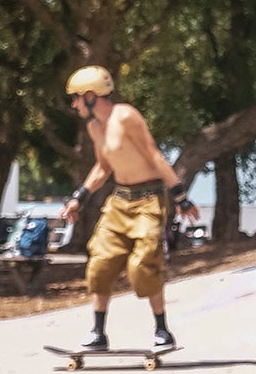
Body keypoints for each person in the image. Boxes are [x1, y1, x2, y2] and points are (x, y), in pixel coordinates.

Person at [59, 67, 194, 354]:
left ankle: (162, 330)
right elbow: (103, 167)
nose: (74, 105)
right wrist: (78, 198)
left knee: (143, 264)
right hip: (119, 200)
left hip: (149, 200)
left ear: (92, 96)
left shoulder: (126, 116)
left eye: (76, 98)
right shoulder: (94, 127)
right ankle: (98, 332)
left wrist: (180, 196)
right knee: (100, 262)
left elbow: (153, 155)